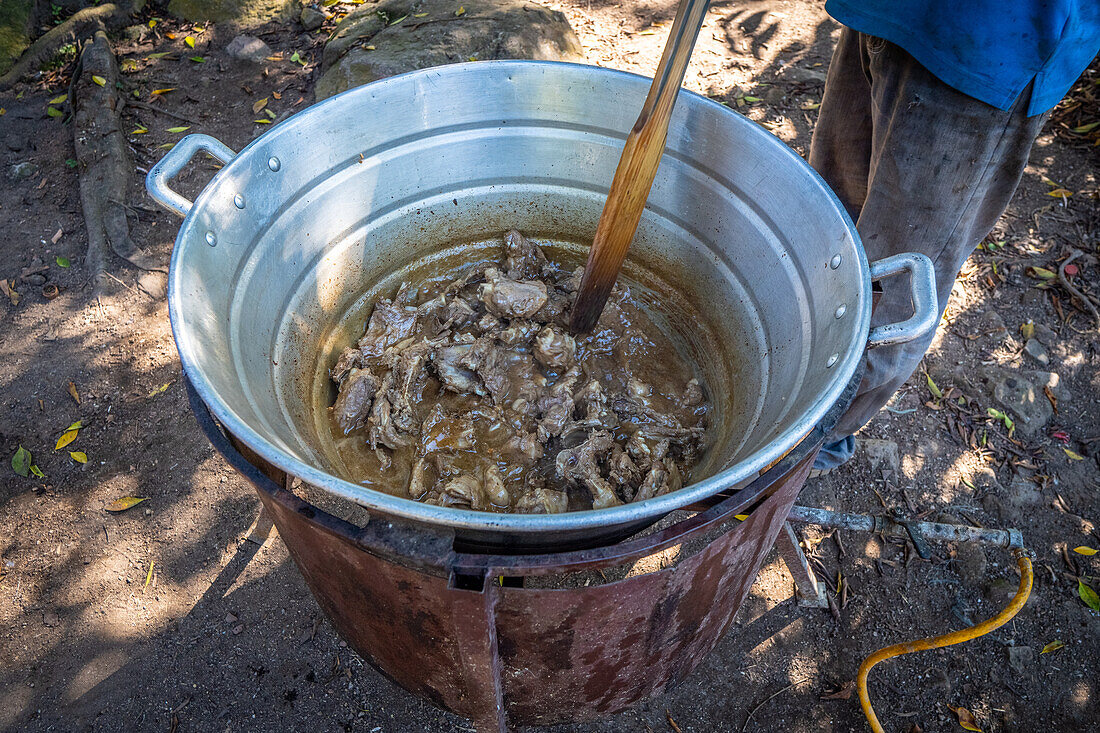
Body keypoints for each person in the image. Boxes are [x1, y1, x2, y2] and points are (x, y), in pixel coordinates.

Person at [807, 1, 1100, 472]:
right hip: (883, 12)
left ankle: (814, 443)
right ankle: (790, 384)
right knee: (826, 225)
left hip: (995, 46)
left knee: (896, 287)